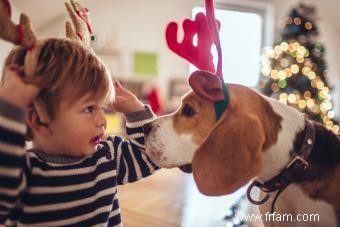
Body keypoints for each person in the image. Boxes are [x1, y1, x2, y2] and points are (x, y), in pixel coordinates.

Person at [0, 38, 160, 226]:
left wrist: (136, 110)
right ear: (40, 120)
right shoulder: (20, 174)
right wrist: (10, 107)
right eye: (89, 109)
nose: (102, 120)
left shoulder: (107, 156)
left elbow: (151, 156)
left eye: (102, 107)